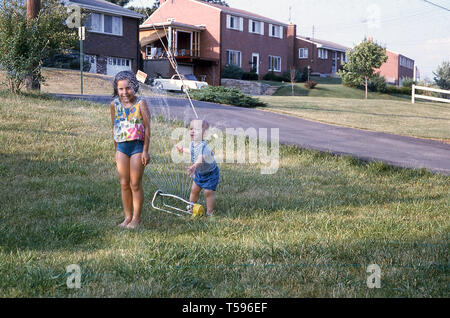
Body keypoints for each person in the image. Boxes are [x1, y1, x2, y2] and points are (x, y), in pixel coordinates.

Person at [110, 71, 151, 229]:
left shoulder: (141, 103)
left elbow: (147, 128)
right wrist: (116, 151)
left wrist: (145, 151)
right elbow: (114, 127)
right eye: (121, 89)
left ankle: (136, 218)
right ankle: (127, 217)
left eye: (128, 88)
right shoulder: (114, 104)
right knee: (124, 183)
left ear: (134, 87)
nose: (124, 92)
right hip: (121, 147)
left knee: (135, 183)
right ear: (116, 89)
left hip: (137, 148)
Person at [177, 119, 219, 216]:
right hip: (199, 173)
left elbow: (200, 159)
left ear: (203, 134)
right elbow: (192, 151)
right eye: (191, 128)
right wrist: (183, 149)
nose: (192, 131)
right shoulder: (192, 144)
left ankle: (210, 212)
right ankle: (191, 208)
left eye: (196, 129)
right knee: (194, 190)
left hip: (210, 174)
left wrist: (194, 167)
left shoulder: (204, 147)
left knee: (208, 192)